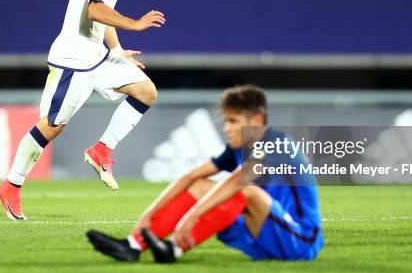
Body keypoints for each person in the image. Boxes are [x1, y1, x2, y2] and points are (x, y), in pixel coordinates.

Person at [0, 0, 165, 220]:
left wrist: (118, 50)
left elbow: (103, 14)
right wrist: (135, 25)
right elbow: (96, 9)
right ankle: (11, 185)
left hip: (96, 55)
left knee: (146, 91)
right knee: (52, 126)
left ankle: (102, 150)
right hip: (73, 60)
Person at [87, 85, 324, 263]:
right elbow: (190, 177)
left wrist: (191, 216)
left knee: (244, 189)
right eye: (226, 121)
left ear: (258, 120)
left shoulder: (278, 144)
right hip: (263, 233)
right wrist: (150, 214)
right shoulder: (239, 148)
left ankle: (174, 249)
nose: (226, 128)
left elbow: (236, 182)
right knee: (202, 185)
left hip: (300, 240)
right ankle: (132, 246)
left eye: (233, 121)